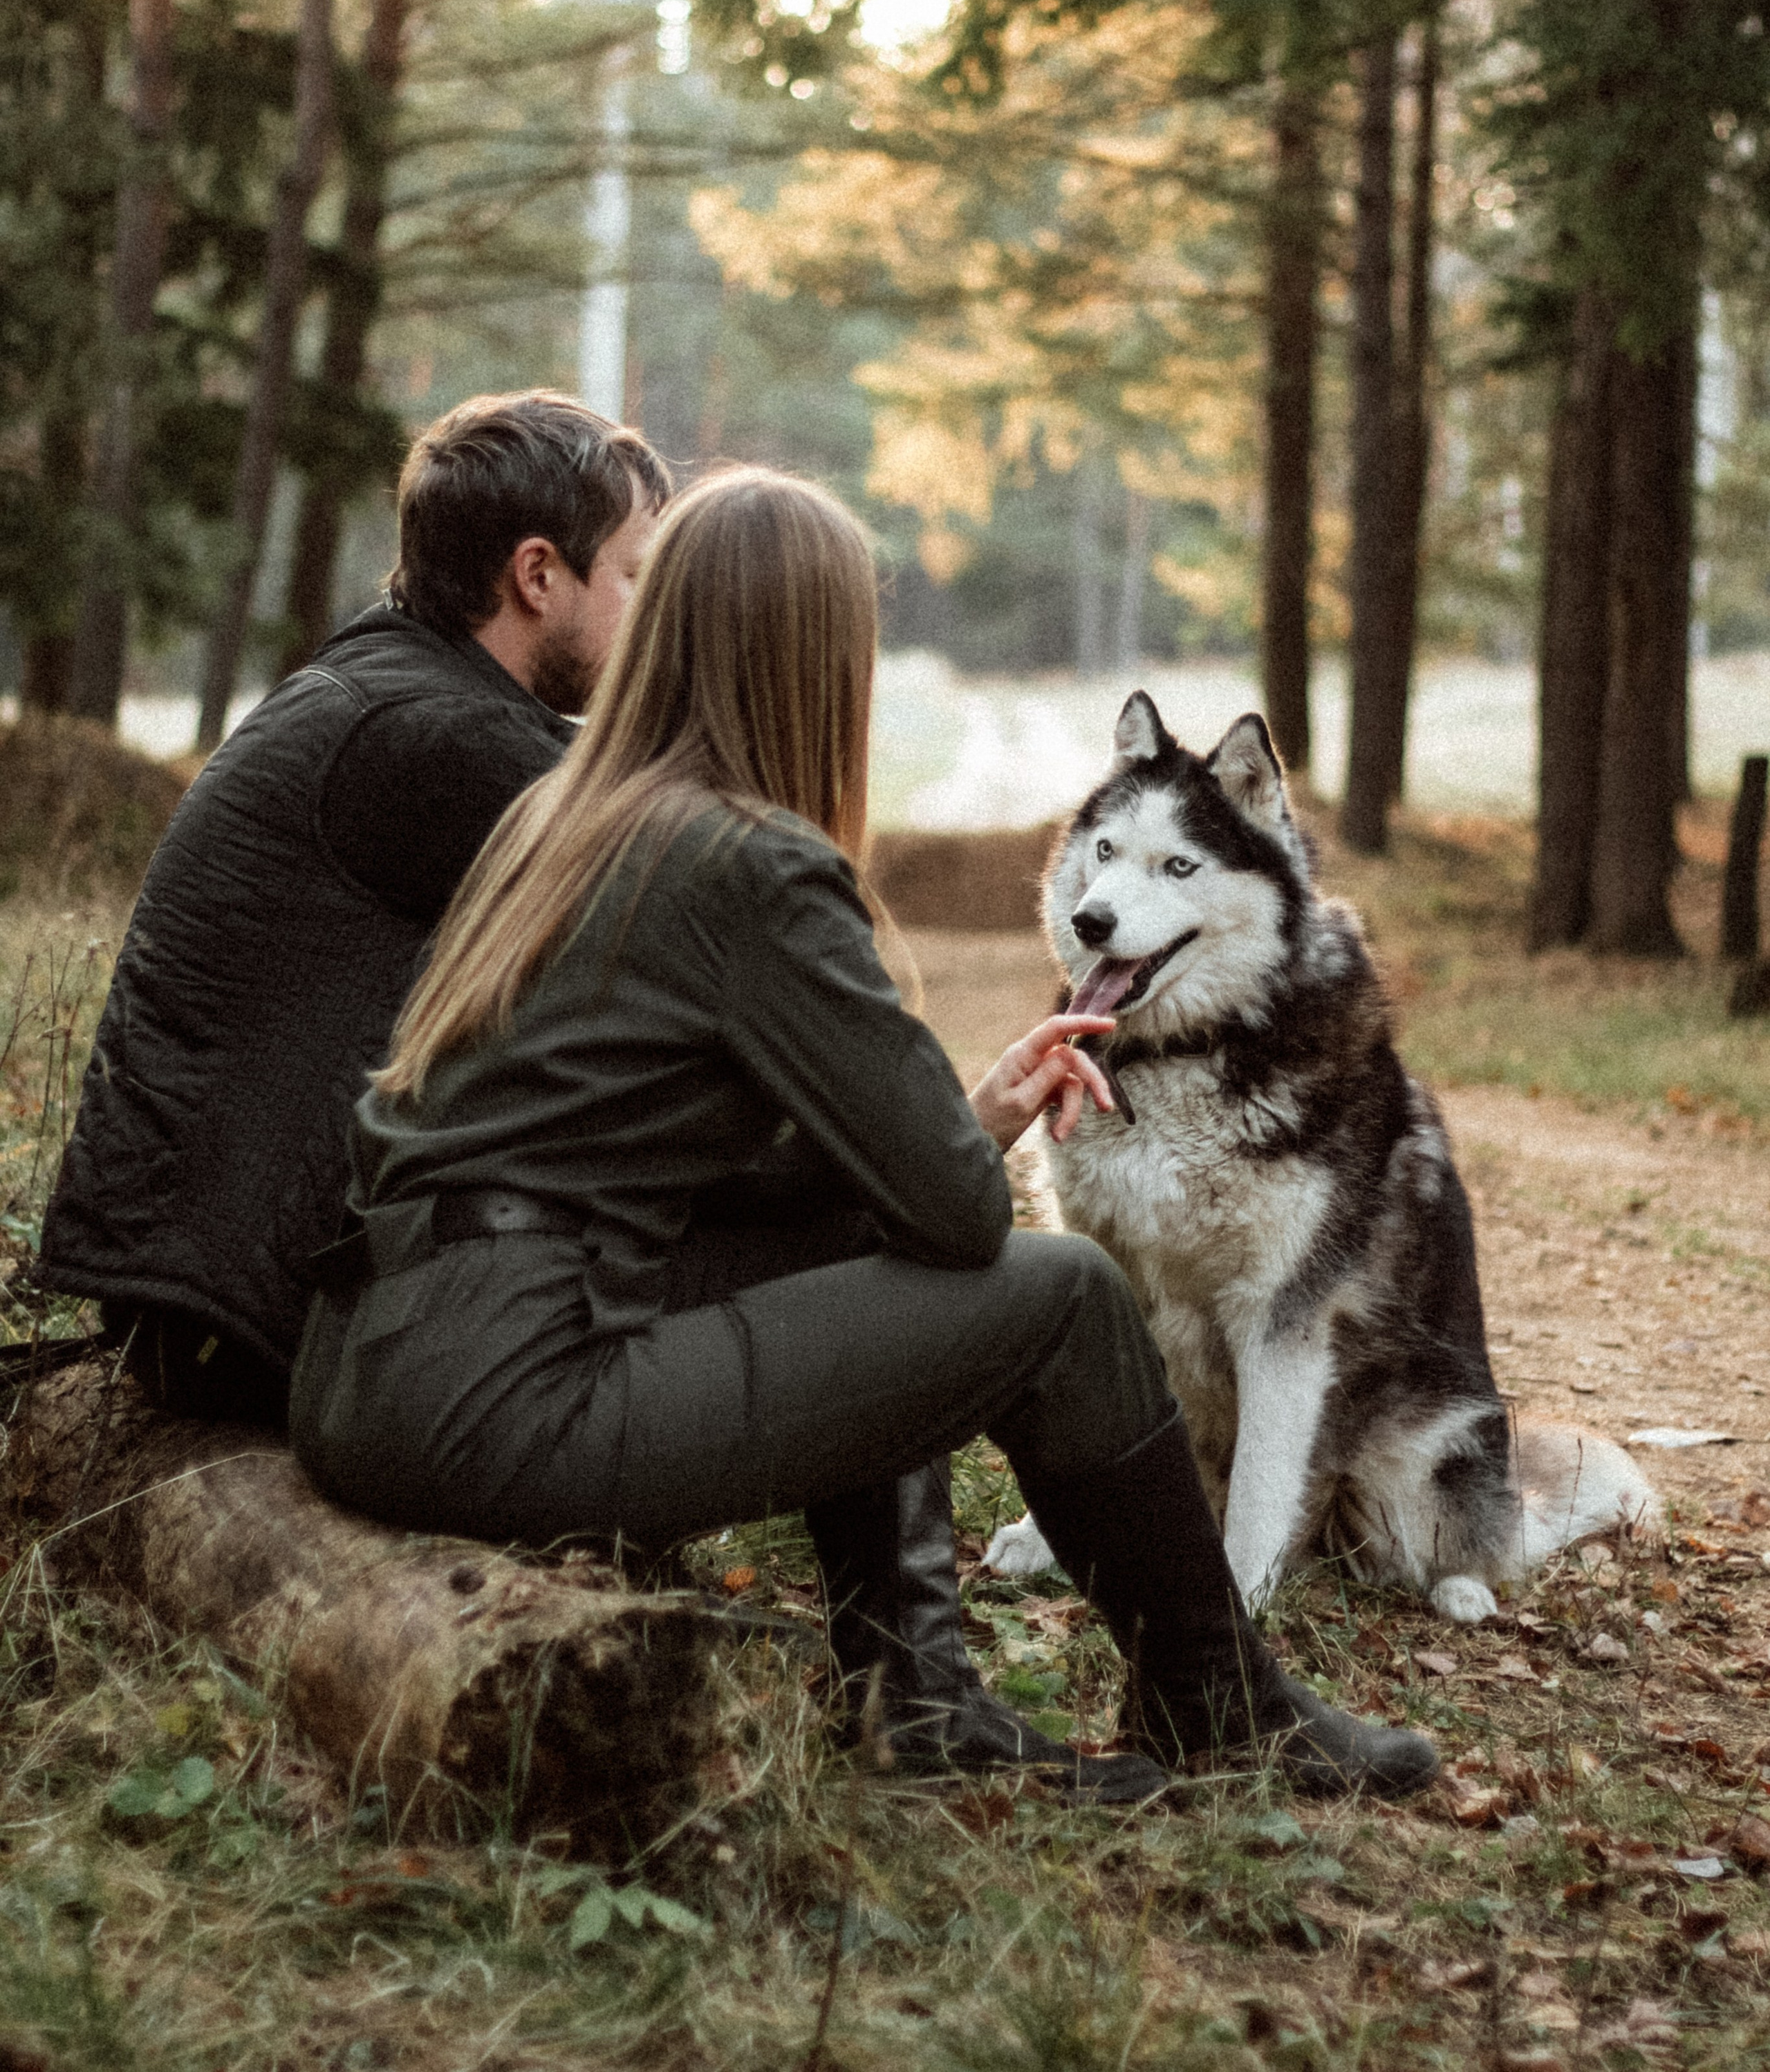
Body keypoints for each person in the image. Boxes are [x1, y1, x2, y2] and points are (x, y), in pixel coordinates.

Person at [290, 467, 1437, 1803]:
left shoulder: (564, 814)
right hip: (508, 1396)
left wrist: (976, 1115)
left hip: (370, 1365)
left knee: (841, 1215)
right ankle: (1220, 1706)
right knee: (1060, 1294)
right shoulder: (754, 864)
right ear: (816, 658)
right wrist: (954, 1146)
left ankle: (918, 1697)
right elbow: (956, 1221)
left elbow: (750, 1168)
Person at [36, 390, 668, 1426]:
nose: (657, 614)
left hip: (206, 1297)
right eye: (641, 576)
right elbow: (703, 906)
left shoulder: (391, 690)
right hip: (247, 1324)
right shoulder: (434, 741)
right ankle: (878, 1597)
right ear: (539, 574)